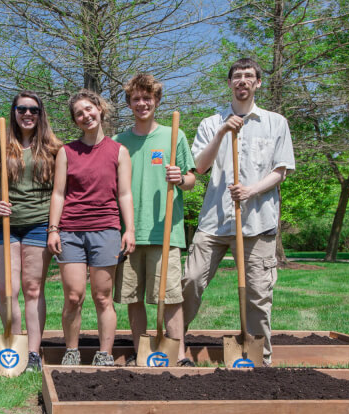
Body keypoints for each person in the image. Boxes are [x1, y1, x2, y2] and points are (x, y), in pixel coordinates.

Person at [182, 58, 295, 366]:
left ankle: (260, 360)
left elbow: (281, 170)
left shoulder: (276, 123)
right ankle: (175, 348)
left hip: (257, 223)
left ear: (258, 83)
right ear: (229, 83)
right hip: (213, 222)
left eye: (249, 76)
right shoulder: (210, 122)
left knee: (258, 294)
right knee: (190, 281)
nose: (242, 80)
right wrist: (221, 132)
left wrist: (251, 190)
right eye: (237, 76)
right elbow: (200, 166)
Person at [112, 74, 197, 366]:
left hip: (165, 231)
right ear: (129, 103)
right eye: (136, 98)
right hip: (130, 233)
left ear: (157, 101)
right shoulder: (119, 142)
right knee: (133, 297)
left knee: (171, 296)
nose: (142, 103)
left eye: (147, 98)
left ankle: (180, 354)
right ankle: (141, 352)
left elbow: (191, 179)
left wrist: (181, 177)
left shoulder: (175, 136)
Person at [47, 89, 136, 366]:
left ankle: (105, 354)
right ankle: (71, 351)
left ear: (99, 108)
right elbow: (59, 193)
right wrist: (53, 229)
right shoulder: (66, 152)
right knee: (74, 296)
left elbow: (124, 194)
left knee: (102, 297)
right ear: (75, 122)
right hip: (71, 231)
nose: (86, 116)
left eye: (89, 109)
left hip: (106, 230)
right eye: (79, 114)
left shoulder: (119, 151)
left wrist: (129, 229)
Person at [0, 91, 62, 371]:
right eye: (22, 109)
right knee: (6, 288)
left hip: (39, 224)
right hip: (4, 226)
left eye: (33, 110)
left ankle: (34, 353)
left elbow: (59, 191)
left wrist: (53, 227)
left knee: (33, 289)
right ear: (14, 112)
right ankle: (13, 344)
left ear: (41, 114)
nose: (28, 114)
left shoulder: (53, 147)